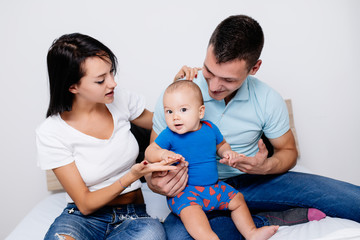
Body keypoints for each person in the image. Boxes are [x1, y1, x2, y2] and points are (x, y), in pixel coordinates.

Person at [146, 15, 360, 239]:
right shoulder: (175, 98)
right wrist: (156, 183)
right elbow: (152, 157)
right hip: (192, 187)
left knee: (349, 199)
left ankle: (251, 221)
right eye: (209, 72)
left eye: (228, 80)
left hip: (253, 181)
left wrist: (264, 167)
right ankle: (265, 219)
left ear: (254, 68)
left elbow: (288, 152)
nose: (214, 86)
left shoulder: (267, 98)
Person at [36, 33, 178, 240]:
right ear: (73, 86)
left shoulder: (120, 100)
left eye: (111, 72)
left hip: (133, 217)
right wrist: (132, 175)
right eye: (101, 80)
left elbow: (166, 121)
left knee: (151, 236)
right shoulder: (51, 132)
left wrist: (180, 90)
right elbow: (84, 204)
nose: (113, 83)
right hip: (82, 219)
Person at [145, 80, 279, 240]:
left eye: (183, 110)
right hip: (185, 193)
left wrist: (227, 153)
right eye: (169, 111)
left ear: (200, 112)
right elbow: (150, 151)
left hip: (213, 187)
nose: (175, 117)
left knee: (238, 200)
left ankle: (251, 232)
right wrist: (162, 154)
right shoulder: (169, 135)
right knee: (192, 214)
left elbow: (221, 144)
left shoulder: (210, 128)